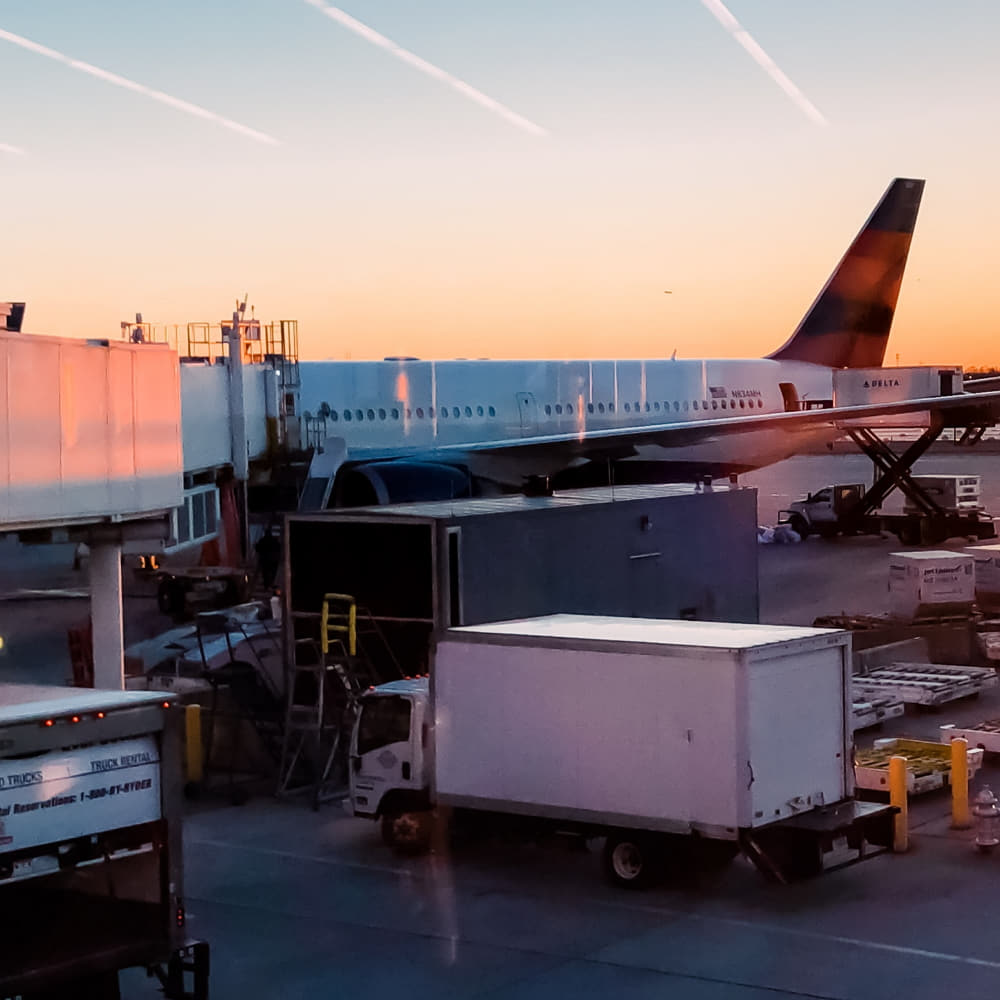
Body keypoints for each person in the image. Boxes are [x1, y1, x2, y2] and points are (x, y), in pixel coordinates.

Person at [255, 525, 280, 589]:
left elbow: (257, 549)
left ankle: (266, 585)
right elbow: (278, 548)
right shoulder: (274, 540)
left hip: (265, 560)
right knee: (272, 572)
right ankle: (270, 583)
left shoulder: (262, 540)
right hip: (273, 560)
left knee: (265, 573)